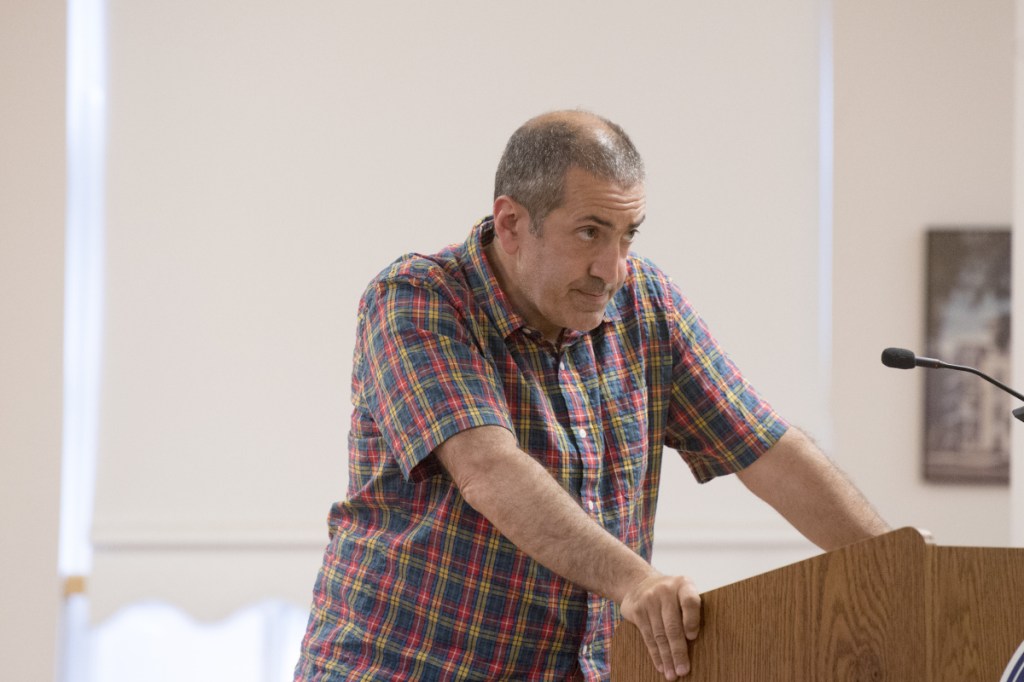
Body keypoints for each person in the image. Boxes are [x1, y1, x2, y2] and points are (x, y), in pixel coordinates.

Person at [293, 110, 889, 682]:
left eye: (628, 236)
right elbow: (488, 470)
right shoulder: (418, 298)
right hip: (404, 668)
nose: (613, 268)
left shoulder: (646, 302)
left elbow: (767, 450)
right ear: (511, 224)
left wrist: (904, 566)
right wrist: (635, 582)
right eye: (589, 233)